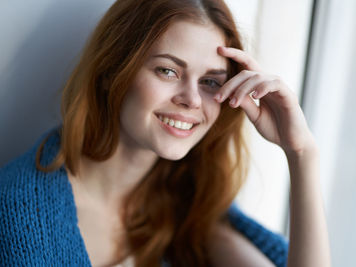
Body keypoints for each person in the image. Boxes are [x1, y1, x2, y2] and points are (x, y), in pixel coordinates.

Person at [0, 0, 330, 266]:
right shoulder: (18, 212)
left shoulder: (190, 213)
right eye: (168, 70)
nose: (191, 99)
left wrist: (301, 154)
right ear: (112, 70)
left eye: (210, 82)